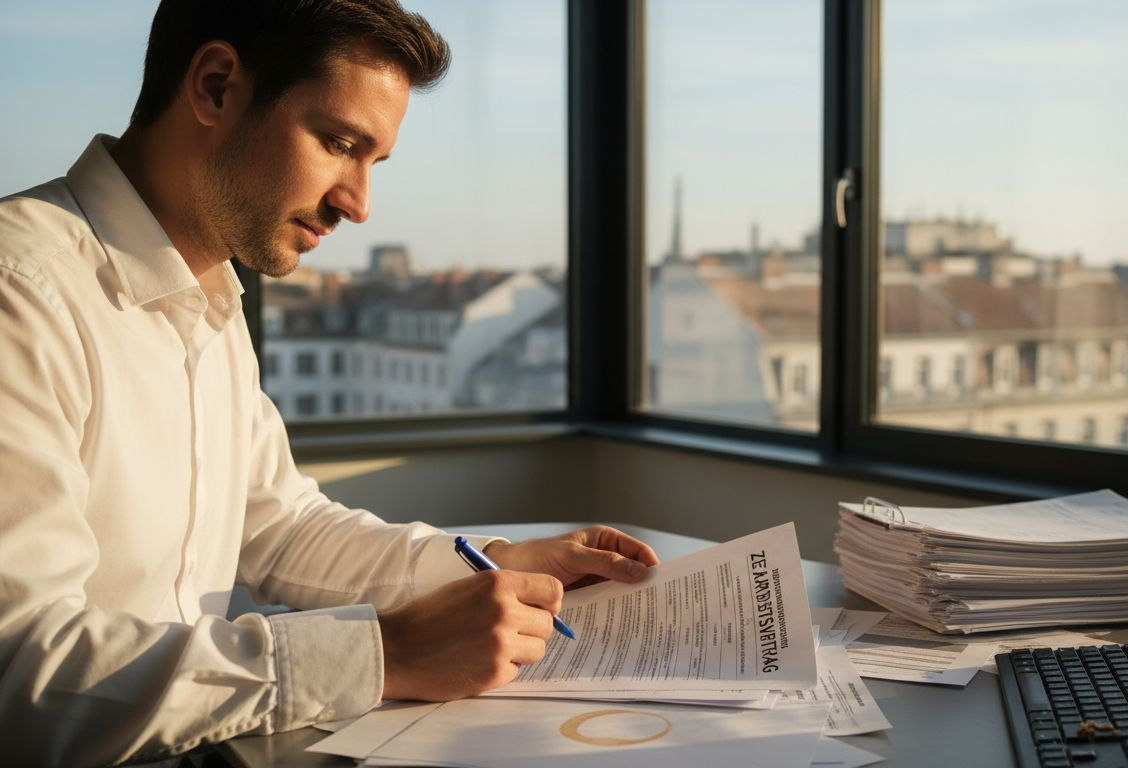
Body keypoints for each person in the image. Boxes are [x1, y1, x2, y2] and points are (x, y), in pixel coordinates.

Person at [0, 2, 658, 765]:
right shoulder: (22, 296)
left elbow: (281, 528)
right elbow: (22, 671)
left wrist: (496, 564)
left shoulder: (208, 299)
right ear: (215, 87)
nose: (358, 203)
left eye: (373, 162)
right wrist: (379, 655)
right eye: (339, 143)